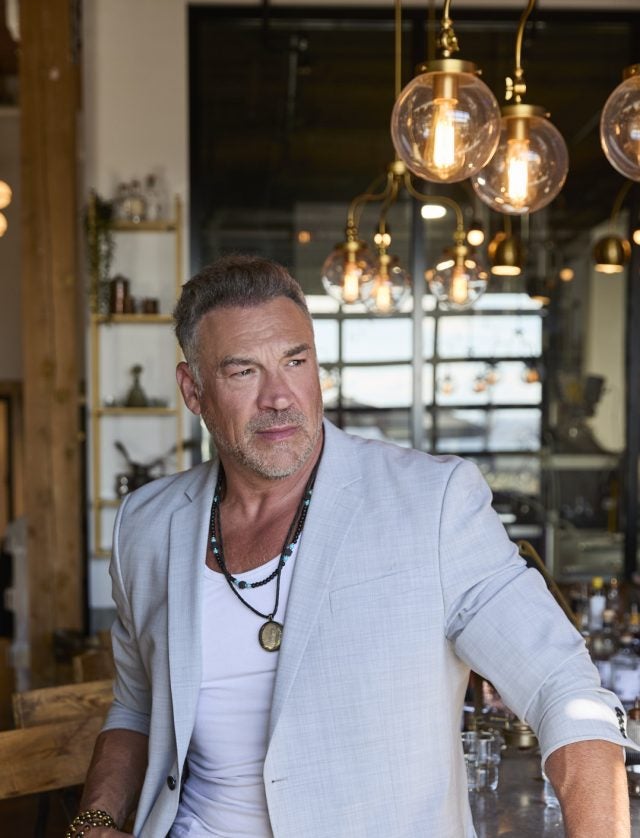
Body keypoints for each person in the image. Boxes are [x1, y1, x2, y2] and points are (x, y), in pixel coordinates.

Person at [73, 254, 636, 838]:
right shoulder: (146, 524)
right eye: (243, 372)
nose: (279, 397)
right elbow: (137, 707)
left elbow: (562, 688)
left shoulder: (431, 502)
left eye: (296, 362)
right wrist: (94, 820)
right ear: (193, 390)